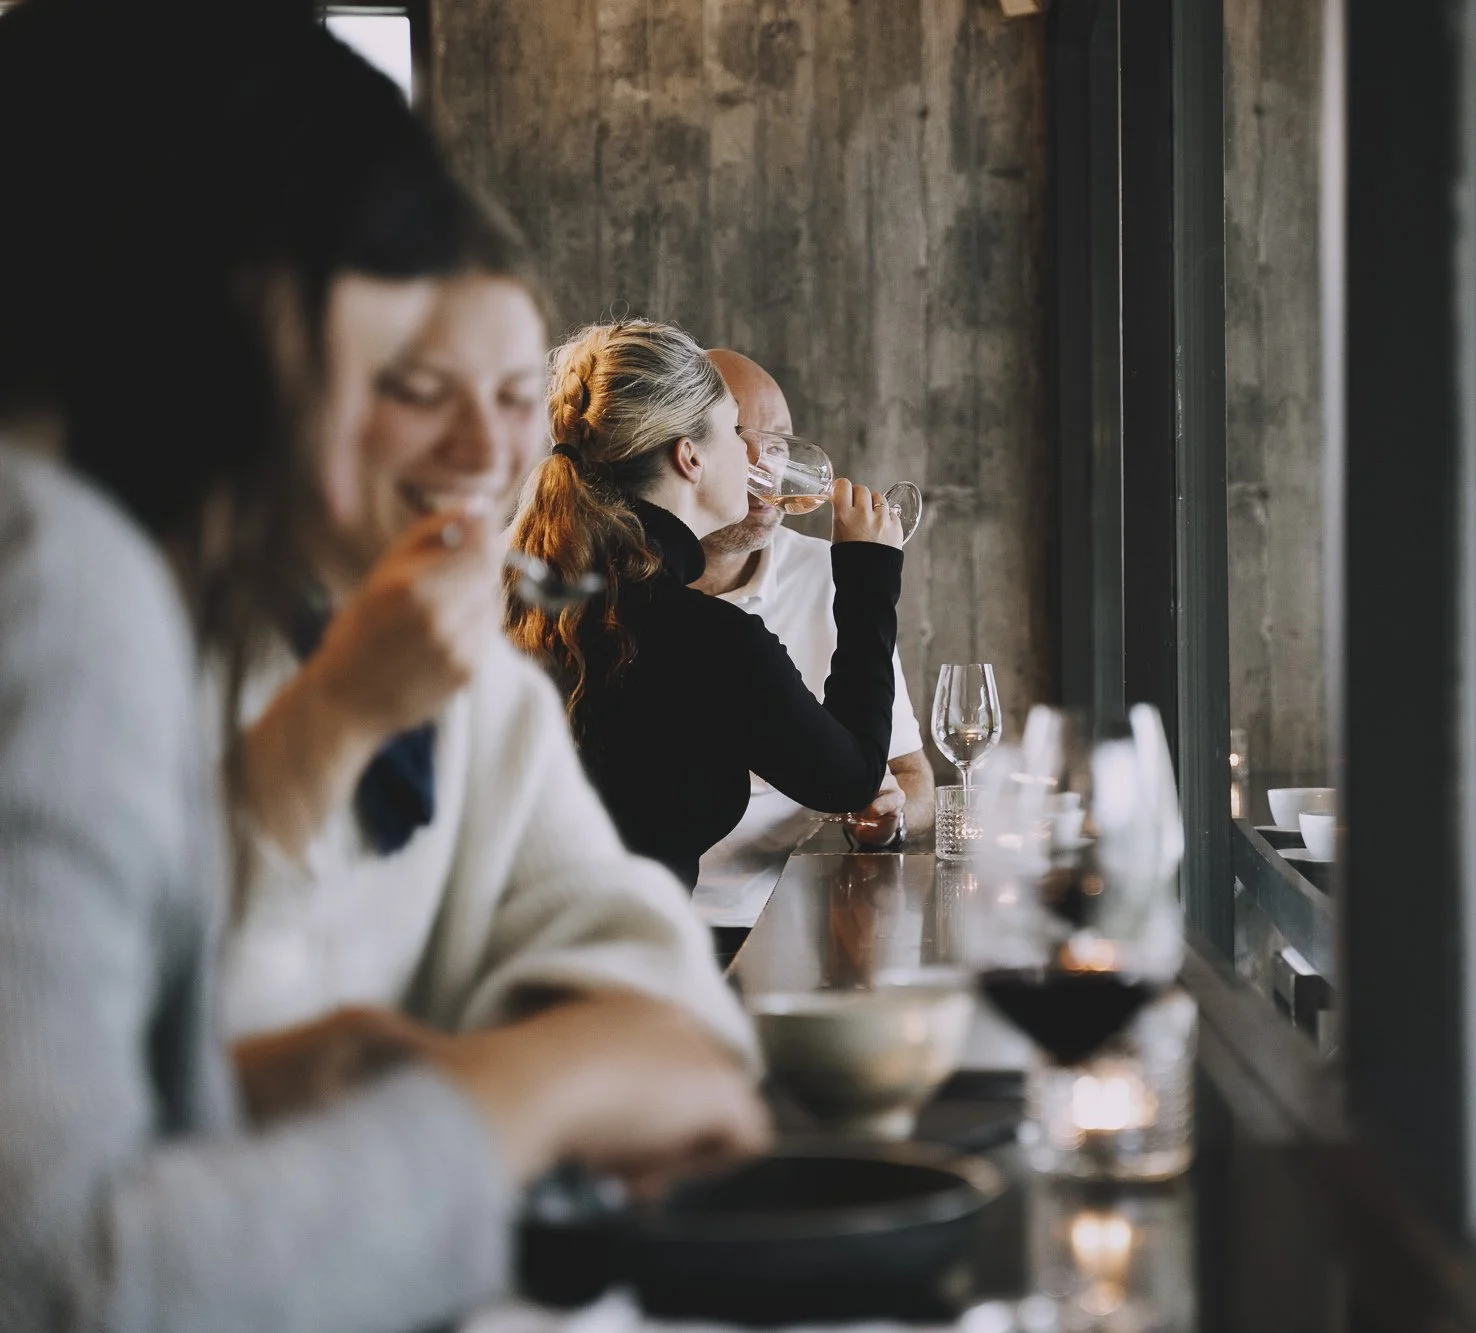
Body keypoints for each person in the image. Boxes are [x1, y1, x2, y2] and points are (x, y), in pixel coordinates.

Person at [0, 8, 767, 1331]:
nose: (476, 444)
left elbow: (673, 1026)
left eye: (516, 391)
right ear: (234, 306)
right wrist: (518, 1094)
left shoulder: (463, 678)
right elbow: (73, 1270)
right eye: (402, 372)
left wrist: (304, 1082)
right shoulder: (61, 574)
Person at [219, 204, 755, 1068]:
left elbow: (624, 934)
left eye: (512, 397)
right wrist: (339, 713)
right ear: (309, 400)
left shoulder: (483, 680)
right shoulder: (175, 655)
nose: (480, 449)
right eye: (421, 390)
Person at [507, 321, 906, 890]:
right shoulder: (706, 637)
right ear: (690, 457)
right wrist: (869, 576)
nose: (754, 458)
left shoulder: (526, 600)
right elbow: (850, 779)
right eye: (733, 432)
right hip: (623, 965)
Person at [687, 349, 936, 925]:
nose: (767, 470)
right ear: (685, 453)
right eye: (742, 443)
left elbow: (910, 775)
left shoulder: (836, 575)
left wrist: (890, 818)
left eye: (778, 448)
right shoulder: (606, 589)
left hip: (793, 918)